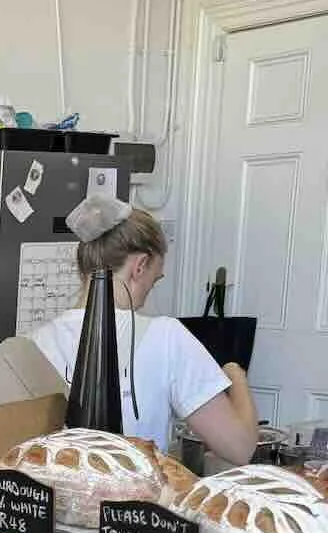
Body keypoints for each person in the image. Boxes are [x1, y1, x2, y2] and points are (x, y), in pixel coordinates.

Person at [32, 195, 258, 464]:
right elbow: (240, 447)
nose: (150, 291)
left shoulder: (35, 342)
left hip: (56, 503)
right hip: (135, 505)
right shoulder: (167, 337)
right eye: (155, 279)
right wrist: (237, 377)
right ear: (139, 266)